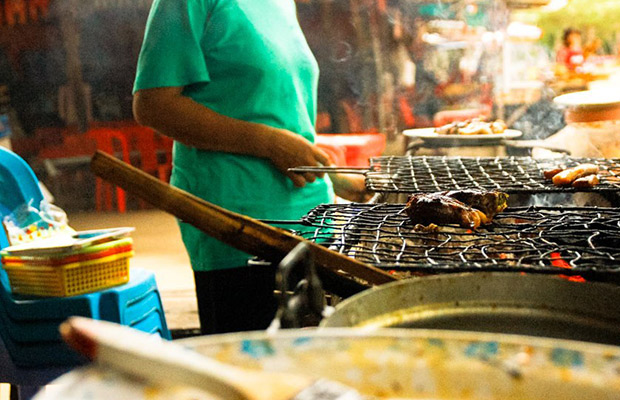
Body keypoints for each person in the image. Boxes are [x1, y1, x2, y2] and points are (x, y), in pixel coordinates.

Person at [132, 0, 367, 334]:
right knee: (257, 370)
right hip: (237, 224)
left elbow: (268, 108)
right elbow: (153, 104)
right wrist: (269, 143)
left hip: (311, 219)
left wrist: (332, 176)